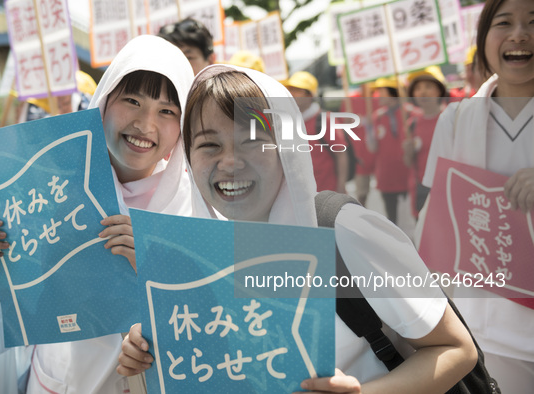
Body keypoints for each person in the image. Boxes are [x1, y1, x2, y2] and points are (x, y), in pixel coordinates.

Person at [118, 64, 478, 392]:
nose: (229, 162)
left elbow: (456, 348)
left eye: (254, 141)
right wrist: (155, 347)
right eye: (209, 145)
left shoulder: (344, 230)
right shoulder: (201, 256)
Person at [0, 35, 194, 393]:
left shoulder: (192, 208)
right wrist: (2, 272)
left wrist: (153, 268)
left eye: (167, 111)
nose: (146, 124)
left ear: (182, 127)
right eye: (132, 100)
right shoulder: (48, 187)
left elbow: (206, 318)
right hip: (56, 378)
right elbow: (44, 296)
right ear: (102, 103)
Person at [421, 0, 534, 391]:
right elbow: (436, 220)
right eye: (504, 23)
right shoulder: (456, 119)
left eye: (532, 23)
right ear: (484, 40)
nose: (519, 34)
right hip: (485, 326)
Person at [282, 71, 349, 193]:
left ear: (310, 95)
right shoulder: (287, 122)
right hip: (301, 194)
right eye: (290, 90)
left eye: (297, 90)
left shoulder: (325, 119)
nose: (292, 94)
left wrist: (341, 185)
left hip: (328, 192)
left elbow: (341, 154)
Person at [402, 66, 448, 218]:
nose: (423, 92)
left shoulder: (452, 118)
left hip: (448, 188)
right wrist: (407, 152)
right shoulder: (411, 124)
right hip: (421, 190)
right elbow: (408, 163)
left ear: (439, 90)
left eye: (428, 87)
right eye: (418, 88)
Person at [366, 77, 412, 225]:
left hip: (408, 175)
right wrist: (368, 130)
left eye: (381, 91)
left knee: (410, 221)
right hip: (386, 176)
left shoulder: (411, 114)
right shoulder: (377, 117)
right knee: (391, 220)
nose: (377, 95)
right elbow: (372, 147)